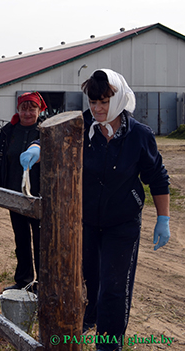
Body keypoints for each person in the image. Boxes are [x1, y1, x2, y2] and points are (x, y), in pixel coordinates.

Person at [20, 69, 170, 351]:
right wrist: (38, 146)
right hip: (86, 220)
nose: (98, 109)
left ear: (118, 99)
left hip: (122, 222)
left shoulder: (139, 135)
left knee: (114, 287)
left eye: (104, 102)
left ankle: (109, 343)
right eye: (93, 102)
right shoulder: (80, 125)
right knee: (85, 280)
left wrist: (163, 218)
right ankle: (86, 321)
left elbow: (158, 177)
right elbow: (52, 135)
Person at [0, 92, 46, 292]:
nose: (28, 113)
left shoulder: (46, 131)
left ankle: (43, 283)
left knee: (41, 241)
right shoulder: (8, 132)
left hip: (39, 196)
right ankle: (24, 280)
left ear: (39, 110)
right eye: (24, 108)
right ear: (18, 110)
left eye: (32, 109)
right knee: (21, 239)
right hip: (15, 194)